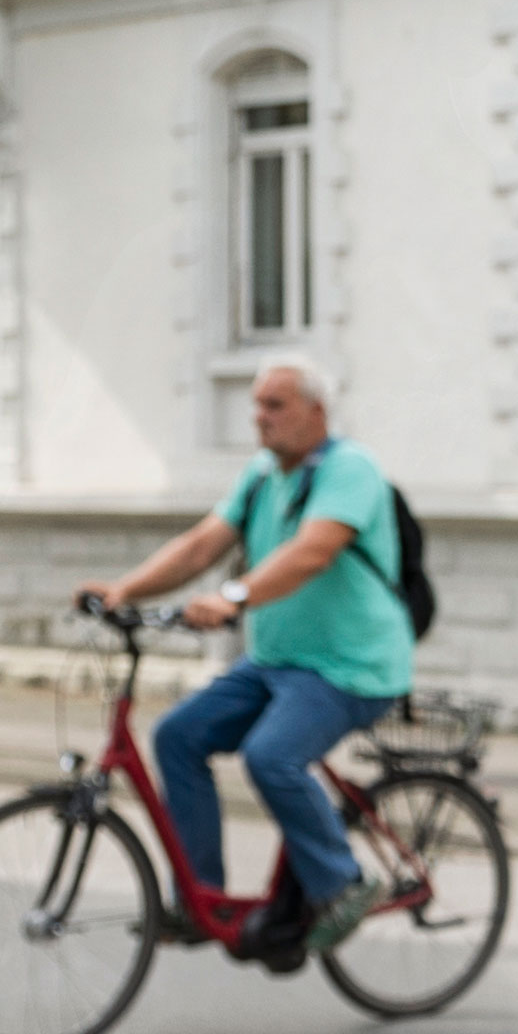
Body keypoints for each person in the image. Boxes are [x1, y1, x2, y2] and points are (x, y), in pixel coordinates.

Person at [81, 360, 411, 965]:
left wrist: (234, 596)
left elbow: (313, 552)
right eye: (257, 405)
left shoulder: (350, 470)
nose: (260, 416)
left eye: (275, 405)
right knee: (178, 735)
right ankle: (199, 898)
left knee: (271, 756)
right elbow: (203, 543)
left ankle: (344, 881)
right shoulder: (262, 475)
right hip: (278, 661)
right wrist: (125, 591)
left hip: (350, 668)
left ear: (317, 412)